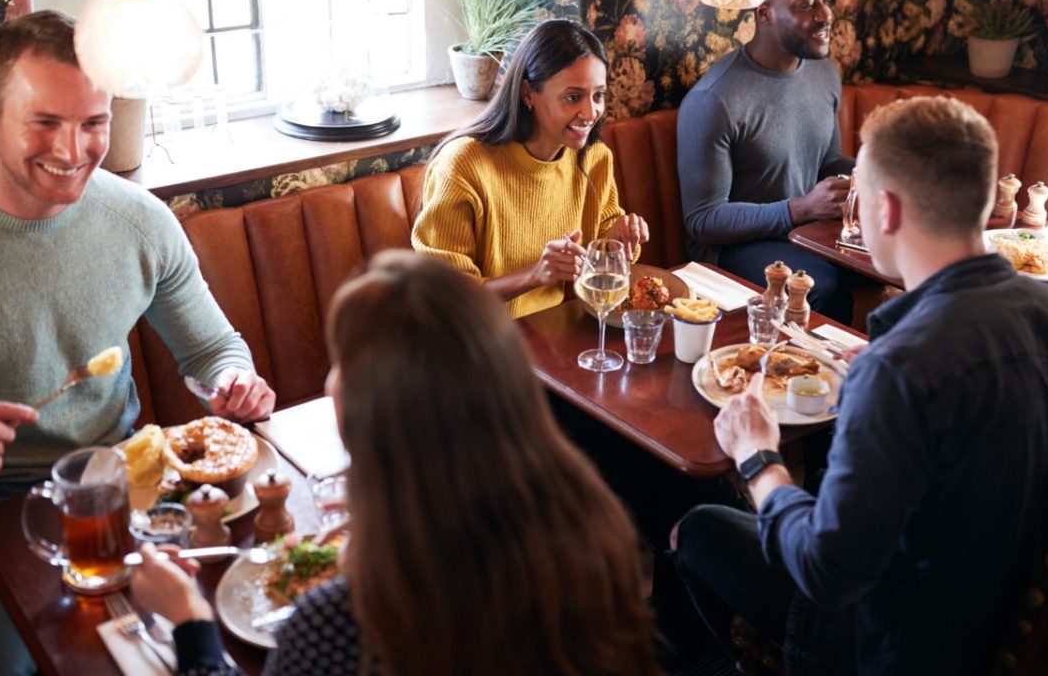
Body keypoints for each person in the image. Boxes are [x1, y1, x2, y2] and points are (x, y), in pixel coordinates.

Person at [671, 96, 1048, 674]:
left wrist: (758, 457)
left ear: (886, 209)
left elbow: (827, 572)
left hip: (903, 644)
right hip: (1031, 628)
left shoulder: (899, 371)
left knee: (698, 528)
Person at [131, 250, 661, 676]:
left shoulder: (342, 621)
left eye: (342, 364)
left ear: (367, 417)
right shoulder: (597, 529)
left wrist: (189, 621)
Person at [0, 10, 275, 674]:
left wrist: (230, 381)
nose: (73, 149)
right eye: (45, 121)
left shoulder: (139, 220)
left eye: (94, 123)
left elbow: (212, 350)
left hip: (127, 489)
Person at [413, 18, 648, 319]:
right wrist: (535, 274)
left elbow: (596, 256)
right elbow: (445, 298)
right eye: (573, 97)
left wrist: (617, 239)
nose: (591, 113)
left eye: (598, 95)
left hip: (552, 336)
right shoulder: (463, 165)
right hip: (471, 345)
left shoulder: (595, 158)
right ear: (528, 94)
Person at [677, 0, 855, 322]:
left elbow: (827, 163)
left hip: (803, 232)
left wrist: (877, 170)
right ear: (765, 14)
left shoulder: (825, 74)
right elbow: (704, 220)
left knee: (905, 263)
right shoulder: (714, 99)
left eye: (824, 0)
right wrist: (801, 209)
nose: (824, 15)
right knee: (825, 286)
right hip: (732, 249)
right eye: (806, 4)